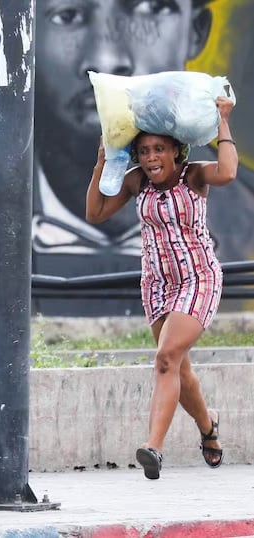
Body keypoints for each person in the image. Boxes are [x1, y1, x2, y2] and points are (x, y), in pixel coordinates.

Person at [0, 0, 254, 315]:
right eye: (67, 15)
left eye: (150, 9)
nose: (107, 60)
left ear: (196, 32)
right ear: (9, 39)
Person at [84, 96, 235, 479]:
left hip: (198, 277)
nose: (151, 158)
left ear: (176, 151)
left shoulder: (195, 175)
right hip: (157, 284)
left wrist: (222, 121)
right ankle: (208, 426)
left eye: (160, 150)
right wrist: (103, 161)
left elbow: (230, 172)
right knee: (178, 368)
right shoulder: (136, 181)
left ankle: (154, 447)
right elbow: (95, 213)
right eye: (144, 150)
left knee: (166, 358)